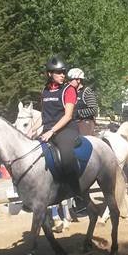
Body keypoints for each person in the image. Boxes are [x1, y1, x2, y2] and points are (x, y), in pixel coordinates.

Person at [39, 56, 82, 198]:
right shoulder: (44, 91)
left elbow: (68, 116)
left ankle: (76, 193)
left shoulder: (68, 90)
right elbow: (43, 115)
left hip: (66, 130)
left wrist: (51, 131)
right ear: (49, 74)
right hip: (48, 130)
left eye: (63, 72)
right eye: (58, 72)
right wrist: (30, 130)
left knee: (66, 154)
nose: (62, 75)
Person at [67, 68, 98, 136]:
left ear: (78, 80)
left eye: (71, 80)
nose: (68, 82)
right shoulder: (69, 91)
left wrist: (77, 113)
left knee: (82, 139)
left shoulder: (86, 91)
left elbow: (94, 109)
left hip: (85, 122)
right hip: (72, 122)